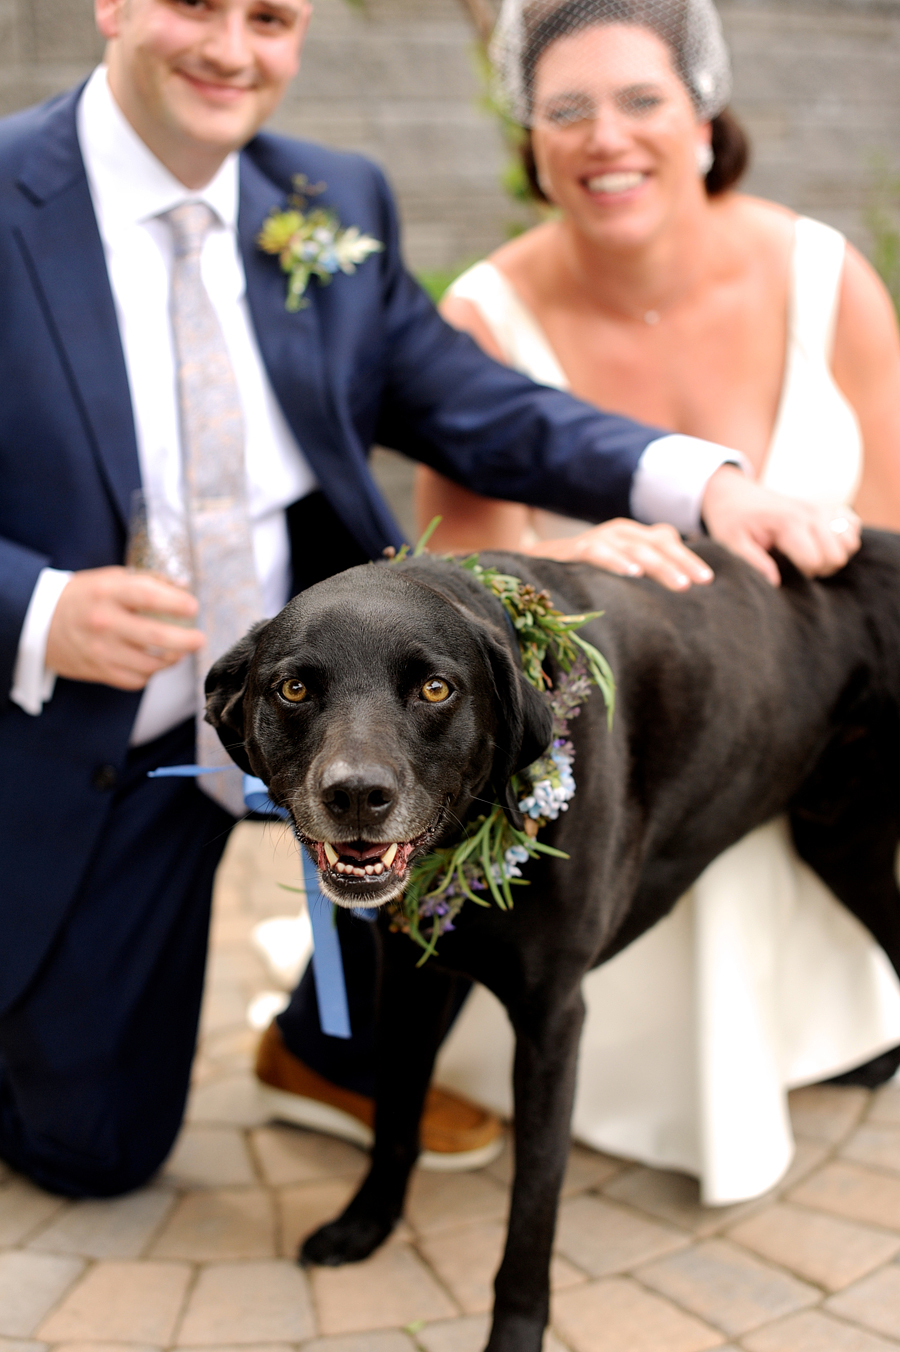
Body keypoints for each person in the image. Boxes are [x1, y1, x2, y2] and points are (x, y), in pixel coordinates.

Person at [0, 0, 858, 1199]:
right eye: (197, 3)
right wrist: (33, 611)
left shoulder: (330, 195)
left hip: (339, 705)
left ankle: (319, 1043)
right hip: (98, 734)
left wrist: (703, 481)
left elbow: (482, 407)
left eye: (271, 16)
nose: (233, 49)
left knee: (462, 806)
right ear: (112, 7)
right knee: (86, 1151)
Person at [413, 0, 900, 1202]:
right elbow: (459, 569)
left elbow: (890, 530)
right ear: (531, 137)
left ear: (702, 115)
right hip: (626, 761)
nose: (604, 137)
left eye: (641, 100)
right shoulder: (484, 316)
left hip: (818, 713)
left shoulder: (822, 274)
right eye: (564, 109)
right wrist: (573, 569)